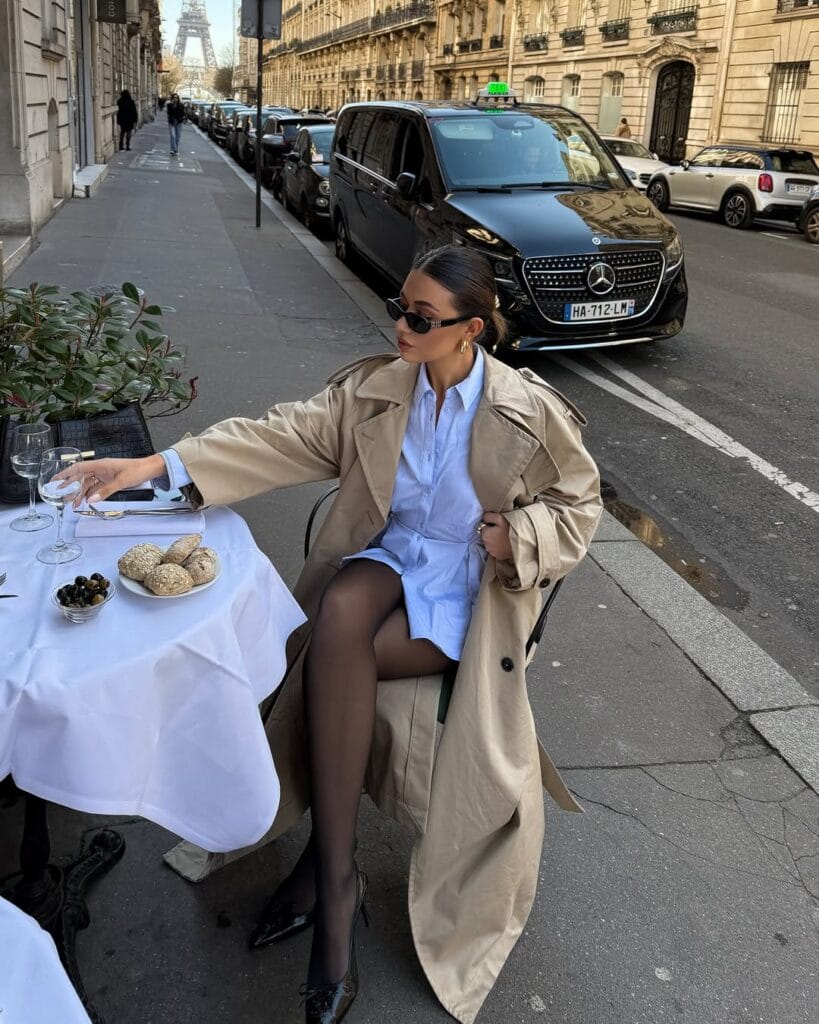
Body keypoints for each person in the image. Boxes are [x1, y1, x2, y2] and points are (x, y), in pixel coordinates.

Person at [59, 246, 602, 1024]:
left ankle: (325, 871)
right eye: (398, 306)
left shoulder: (525, 409)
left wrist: (516, 534)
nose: (401, 326)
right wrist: (154, 464)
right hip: (389, 558)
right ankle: (337, 885)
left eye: (421, 318)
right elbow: (279, 436)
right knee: (341, 615)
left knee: (327, 656)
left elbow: (579, 504)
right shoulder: (379, 390)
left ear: (470, 329)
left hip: (464, 587)